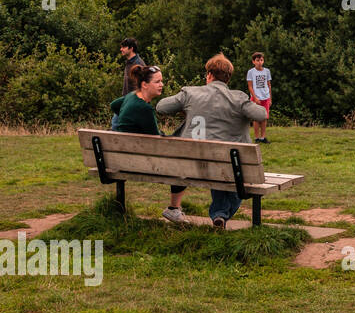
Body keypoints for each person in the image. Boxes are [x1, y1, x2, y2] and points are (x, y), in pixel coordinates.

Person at [156, 53, 268, 229]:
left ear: (209, 75)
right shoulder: (238, 98)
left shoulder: (190, 93)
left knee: (218, 162)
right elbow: (261, 114)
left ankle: (219, 215)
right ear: (228, 78)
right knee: (227, 166)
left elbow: (161, 107)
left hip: (191, 166)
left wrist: (186, 108)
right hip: (228, 166)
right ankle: (220, 214)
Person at [110, 64, 188, 223]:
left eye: (162, 81)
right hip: (138, 163)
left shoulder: (131, 97)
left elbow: (114, 105)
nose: (162, 85)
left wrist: (129, 122)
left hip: (121, 158)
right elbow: (156, 141)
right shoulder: (144, 108)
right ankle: (173, 209)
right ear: (145, 84)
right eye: (157, 82)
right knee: (182, 163)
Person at [245, 52, 272, 143]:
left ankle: (263, 137)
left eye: (261, 60)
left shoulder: (267, 71)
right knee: (256, 118)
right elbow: (250, 86)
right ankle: (257, 138)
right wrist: (255, 97)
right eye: (257, 60)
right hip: (256, 98)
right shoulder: (251, 72)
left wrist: (270, 98)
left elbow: (269, 85)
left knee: (264, 118)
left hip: (265, 97)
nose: (260, 62)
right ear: (253, 61)